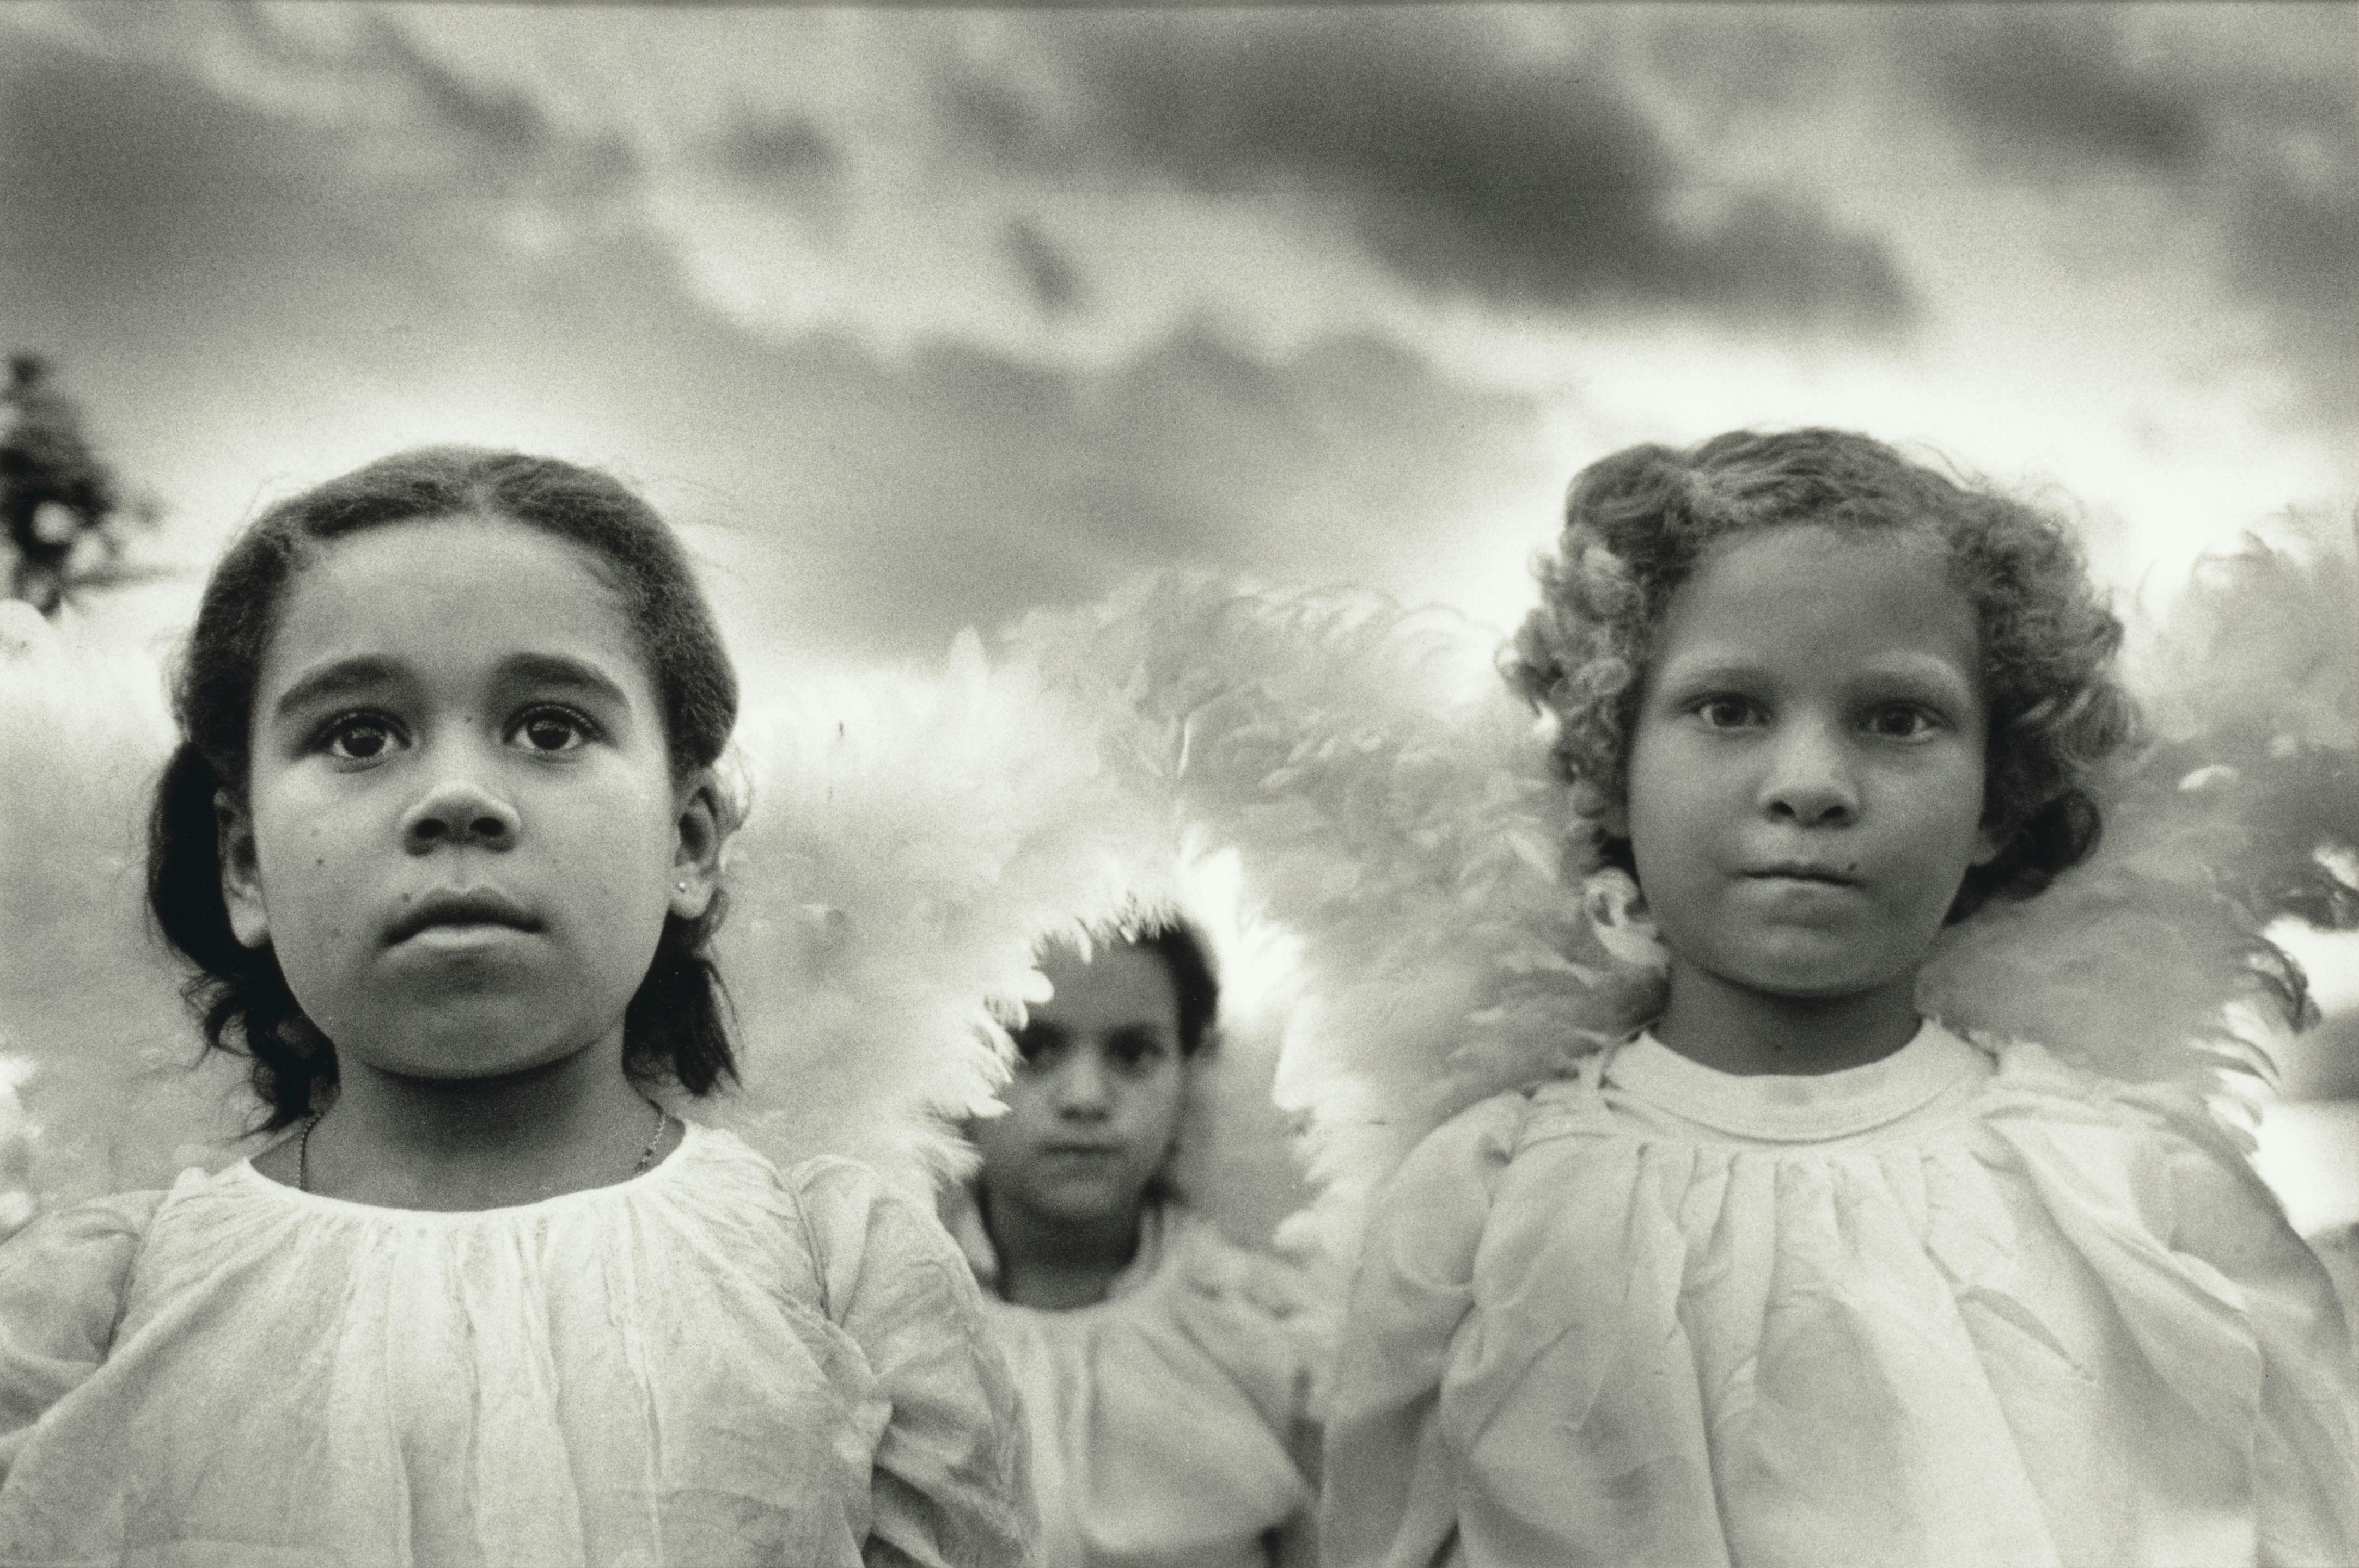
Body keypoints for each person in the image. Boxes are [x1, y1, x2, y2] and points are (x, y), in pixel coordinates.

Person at [1320, 428, 2359, 1566]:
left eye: (1897, 719)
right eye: (1728, 709)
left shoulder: (2139, 1190)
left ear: (1999, 799)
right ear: (1613, 769)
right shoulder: (1482, 1201)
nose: (1810, 786)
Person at [0, 448, 1032, 1565]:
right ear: (245, 864)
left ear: (687, 844)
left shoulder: (846, 1274)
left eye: (549, 729)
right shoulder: (91, 1309)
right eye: (359, 736)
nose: (457, 797)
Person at [957, 924, 1318, 1568]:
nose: (1086, 1098)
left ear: (1189, 1071)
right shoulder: (890, 1324)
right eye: (1032, 1049)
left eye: (1133, 1054)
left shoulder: (1263, 1328)